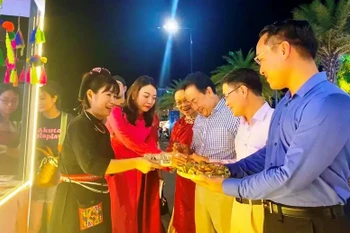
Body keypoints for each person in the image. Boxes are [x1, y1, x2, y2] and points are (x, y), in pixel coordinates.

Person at [195, 20, 350, 233]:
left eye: (261, 59)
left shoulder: (328, 102)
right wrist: (229, 170)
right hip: (276, 218)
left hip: (313, 222)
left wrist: (225, 186)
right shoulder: (286, 103)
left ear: (284, 49)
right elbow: (271, 153)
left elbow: (291, 177)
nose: (260, 70)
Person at [48, 67, 160, 233]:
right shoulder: (80, 125)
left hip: (95, 199)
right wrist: (136, 162)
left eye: (115, 96)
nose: (113, 101)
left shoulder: (100, 127)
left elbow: (109, 163)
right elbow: (93, 165)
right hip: (76, 199)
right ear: (91, 95)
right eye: (108, 95)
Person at [182, 72, 240, 233]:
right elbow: (195, 148)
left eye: (195, 101)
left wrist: (209, 160)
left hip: (224, 188)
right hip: (200, 185)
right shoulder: (199, 118)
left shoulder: (233, 114)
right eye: (191, 103)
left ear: (208, 91)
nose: (194, 107)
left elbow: (247, 157)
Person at [106, 75, 164, 233]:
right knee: (124, 217)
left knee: (145, 216)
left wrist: (163, 164)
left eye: (153, 97)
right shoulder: (116, 112)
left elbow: (152, 144)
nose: (150, 101)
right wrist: (164, 157)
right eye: (146, 96)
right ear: (134, 93)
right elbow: (127, 140)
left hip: (146, 173)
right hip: (123, 173)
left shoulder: (152, 118)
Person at [222, 68, 274, 233]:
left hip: (264, 209)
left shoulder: (275, 121)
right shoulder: (242, 126)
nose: (226, 103)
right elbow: (241, 162)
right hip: (239, 206)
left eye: (226, 96)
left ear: (243, 90)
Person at [30, 81, 67, 233]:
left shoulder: (66, 120)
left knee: (54, 224)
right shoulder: (33, 120)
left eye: (43, 98)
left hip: (58, 178)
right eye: (37, 98)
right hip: (34, 177)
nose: (39, 102)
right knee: (33, 225)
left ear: (54, 98)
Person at [167, 86, 197, 233]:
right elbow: (170, 150)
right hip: (184, 182)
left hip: (207, 179)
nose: (183, 105)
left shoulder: (208, 120)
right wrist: (173, 155)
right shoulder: (178, 126)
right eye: (179, 102)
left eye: (186, 100)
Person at [0, 84, 21, 175]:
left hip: (13, 173)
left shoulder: (18, 123)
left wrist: (8, 150)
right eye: (5, 100)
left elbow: (22, 153)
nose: (9, 105)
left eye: (14, 101)